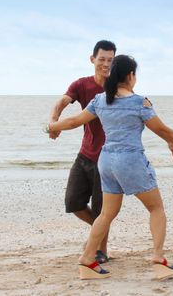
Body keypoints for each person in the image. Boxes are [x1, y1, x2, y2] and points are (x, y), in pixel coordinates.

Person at [47, 55, 173, 280]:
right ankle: (159, 259)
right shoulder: (140, 102)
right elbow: (164, 131)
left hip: (106, 160)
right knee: (156, 209)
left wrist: (51, 126)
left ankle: (87, 260)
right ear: (130, 76)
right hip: (130, 161)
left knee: (106, 214)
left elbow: (73, 121)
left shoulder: (100, 100)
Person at [47, 40, 116, 264]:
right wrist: (53, 121)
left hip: (107, 159)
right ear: (93, 59)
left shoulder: (117, 87)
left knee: (101, 211)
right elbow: (62, 102)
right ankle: (96, 237)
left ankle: (100, 249)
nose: (106, 64)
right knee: (73, 203)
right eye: (102, 59)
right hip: (85, 154)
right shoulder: (82, 85)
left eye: (110, 60)